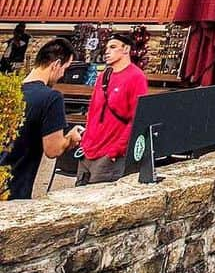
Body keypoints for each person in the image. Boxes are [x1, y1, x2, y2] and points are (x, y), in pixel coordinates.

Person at [5, 38, 83, 199]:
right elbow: (53, 149)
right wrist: (71, 138)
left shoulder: (9, 91)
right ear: (56, 65)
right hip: (14, 189)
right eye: (65, 69)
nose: (62, 75)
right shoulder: (51, 98)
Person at [76, 31, 148, 184]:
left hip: (109, 154)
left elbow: (136, 119)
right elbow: (93, 110)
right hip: (89, 149)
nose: (107, 51)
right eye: (107, 47)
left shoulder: (136, 77)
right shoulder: (104, 75)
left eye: (113, 47)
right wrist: (85, 140)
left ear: (126, 49)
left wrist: (116, 150)